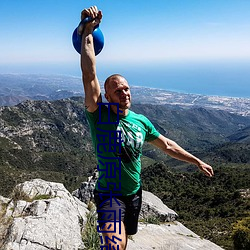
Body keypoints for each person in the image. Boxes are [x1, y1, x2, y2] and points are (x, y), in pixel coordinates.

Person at [79, 6, 214, 250]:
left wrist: (196, 161)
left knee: (125, 240)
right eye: (117, 90)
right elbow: (89, 74)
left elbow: (168, 145)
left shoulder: (142, 121)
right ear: (107, 96)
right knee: (113, 245)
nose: (124, 92)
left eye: (127, 88)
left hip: (134, 194)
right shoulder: (100, 115)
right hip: (108, 195)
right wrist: (87, 31)